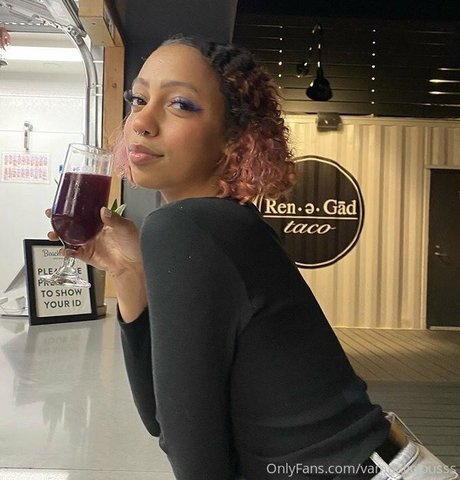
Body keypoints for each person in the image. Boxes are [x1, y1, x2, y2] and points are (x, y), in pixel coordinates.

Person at [46, 35, 458, 480]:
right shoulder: (220, 223)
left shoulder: (189, 226)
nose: (141, 122)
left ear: (234, 140)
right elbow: (162, 421)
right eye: (138, 99)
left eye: (180, 104)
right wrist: (128, 271)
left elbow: (196, 458)